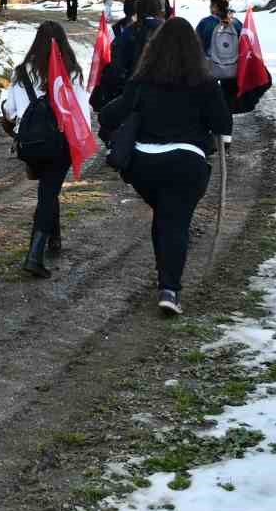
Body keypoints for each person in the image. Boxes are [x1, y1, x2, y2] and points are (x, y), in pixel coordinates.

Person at [97, 19, 232, 316]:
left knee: (166, 216)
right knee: (176, 221)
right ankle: (170, 288)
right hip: (187, 164)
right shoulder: (205, 83)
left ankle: (165, 280)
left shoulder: (142, 81)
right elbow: (223, 124)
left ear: (154, 48)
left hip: (144, 166)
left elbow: (109, 115)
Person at [0, 22, 83, 278]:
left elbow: (9, 111)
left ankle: (54, 238)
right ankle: (34, 256)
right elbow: (81, 110)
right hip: (59, 143)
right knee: (48, 192)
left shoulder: (21, 72)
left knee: (48, 187)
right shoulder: (72, 72)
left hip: (30, 145)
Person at [92, 0, 165, 111]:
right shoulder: (169, 29)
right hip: (164, 91)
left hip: (132, 90)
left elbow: (117, 64)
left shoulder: (128, 32)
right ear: (159, 8)